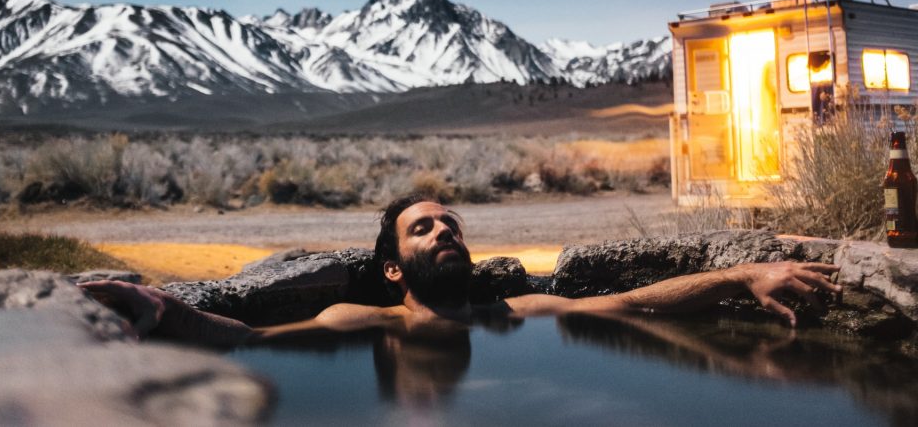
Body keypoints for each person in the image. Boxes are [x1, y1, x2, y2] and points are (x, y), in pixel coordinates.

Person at [80, 195, 841, 346]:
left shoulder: (521, 313)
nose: (444, 229)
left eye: (451, 223)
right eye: (423, 226)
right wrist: (160, 306)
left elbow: (639, 300)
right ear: (390, 270)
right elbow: (246, 337)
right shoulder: (360, 322)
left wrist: (743, 276)